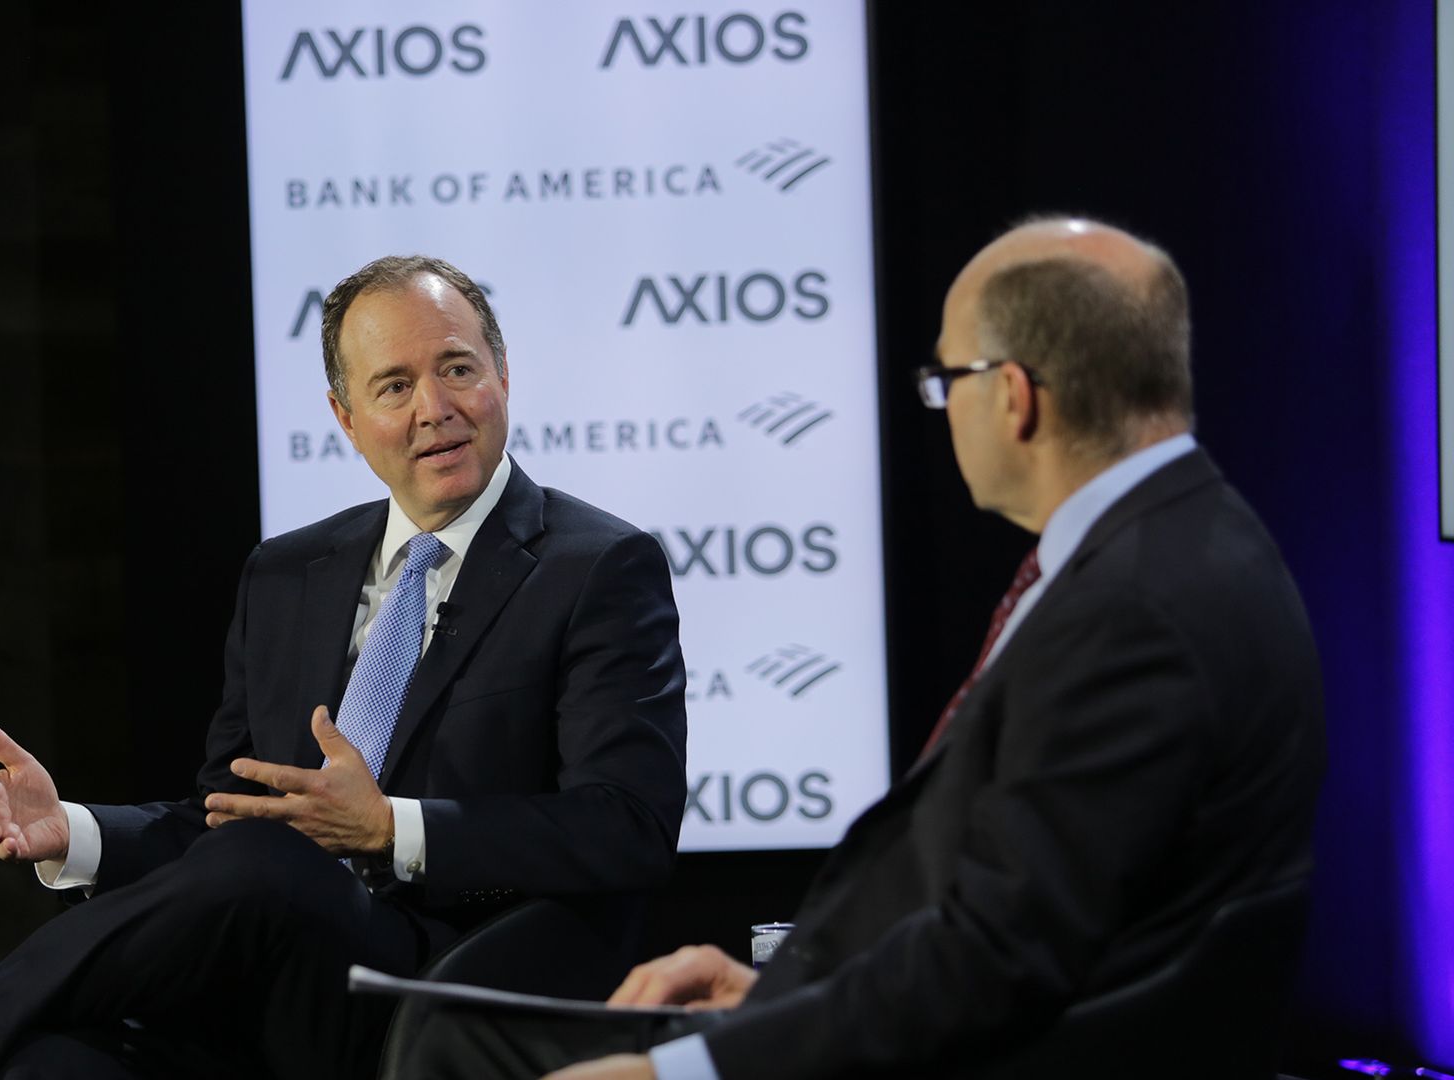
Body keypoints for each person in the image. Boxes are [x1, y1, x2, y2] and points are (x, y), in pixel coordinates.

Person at [0, 255, 688, 1080]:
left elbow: (628, 825)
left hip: (441, 987)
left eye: (458, 368)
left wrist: (392, 830)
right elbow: (224, 826)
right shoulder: (289, 574)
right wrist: (81, 834)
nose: (436, 406)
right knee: (52, 1060)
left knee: (268, 863)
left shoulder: (596, 567)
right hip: (262, 991)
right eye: (394, 384)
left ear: (503, 378)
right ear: (345, 419)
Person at [404, 217, 1327, 1080]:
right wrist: (779, 992)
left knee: (459, 1046)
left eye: (946, 380)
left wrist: (694, 1069)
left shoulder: (1134, 609)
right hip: (945, 1016)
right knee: (454, 1026)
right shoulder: (1189, 541)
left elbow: (998, 957)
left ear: (1012, 397)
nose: (941, 405)